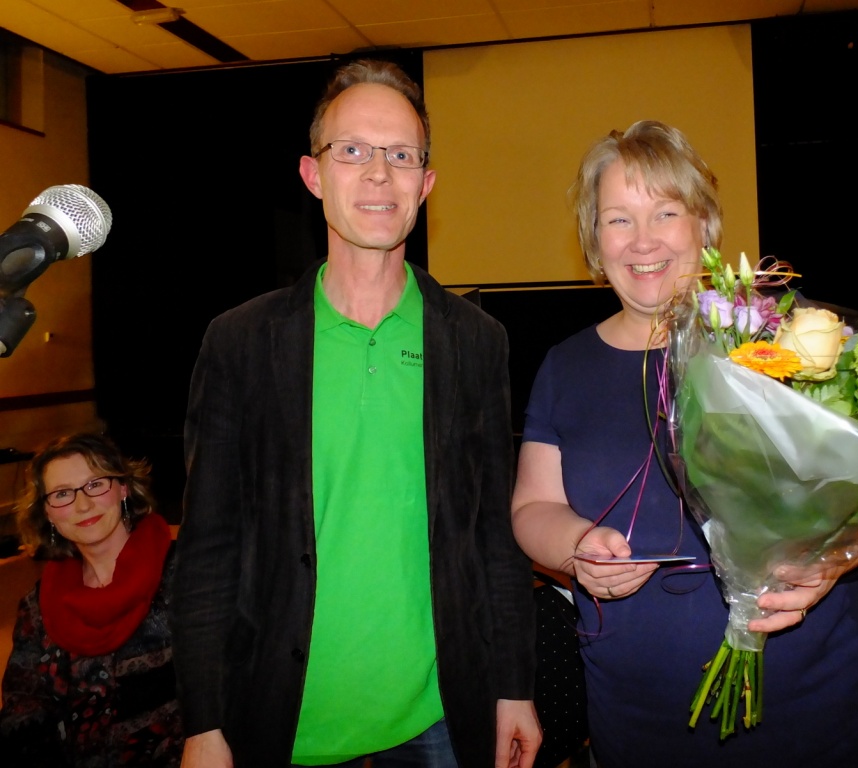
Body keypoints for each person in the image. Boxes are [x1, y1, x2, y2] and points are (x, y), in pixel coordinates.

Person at [170, 58, 541, 768]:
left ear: (425, 184)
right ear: (312, 175)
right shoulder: (241, 342)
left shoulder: (475, 341)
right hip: (281, 716)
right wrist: (204, 722)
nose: (378, 174)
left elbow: (494, 535)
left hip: (439, 716)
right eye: (352, 151)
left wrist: (512, 687)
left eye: (401, 155)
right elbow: (209, 546)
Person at [510, 120, 858, 767]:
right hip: (637, 714)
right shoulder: (565, 366)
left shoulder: (780, 340)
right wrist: (575, 546)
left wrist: (829, 560)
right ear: (593, 240)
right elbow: (532, 506)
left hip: (814, 701)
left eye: (665, 212)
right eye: (617, 219)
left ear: (704, 225)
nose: (642, 240)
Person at [0, 431, 182, 766]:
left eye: (95, 484)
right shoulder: (37, 605)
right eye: (62, 494)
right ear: (48, 512)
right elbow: (24, 705)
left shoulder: (184, 572)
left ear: (123, 488)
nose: (82, 505)